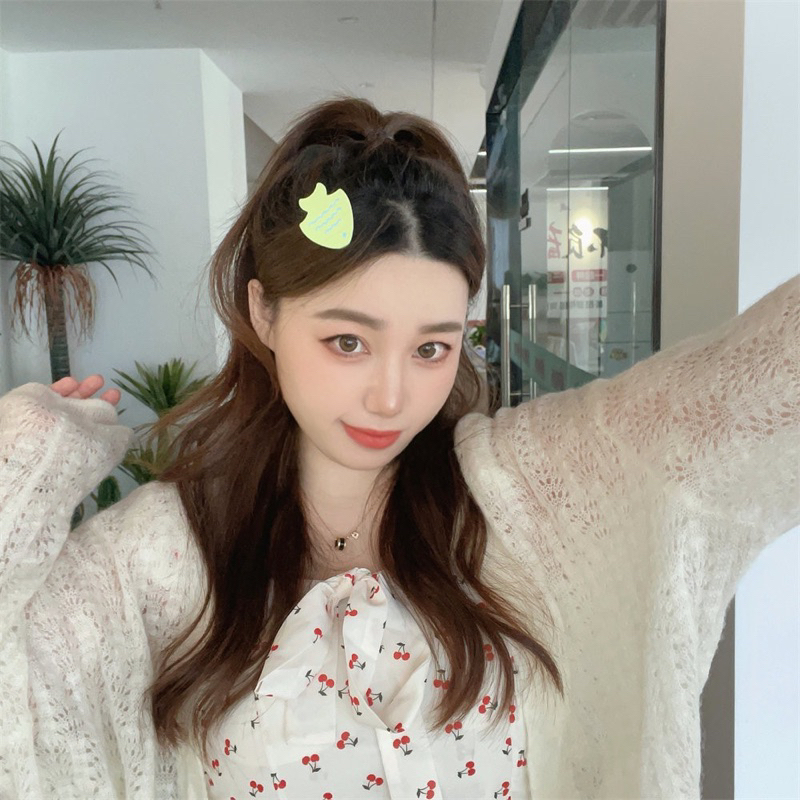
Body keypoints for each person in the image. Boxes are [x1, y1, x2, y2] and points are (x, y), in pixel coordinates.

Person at [0, 96, 797, 800]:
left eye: (431, 349)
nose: (392, 397)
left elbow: (762, 389)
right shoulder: (151, 561)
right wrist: (23, 466)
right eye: (348, 341)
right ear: (264, 313)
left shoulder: (536, 489)